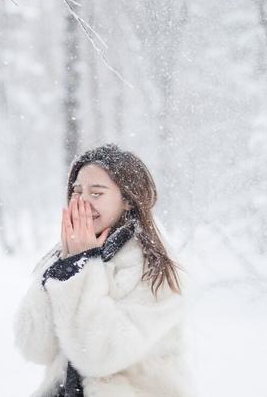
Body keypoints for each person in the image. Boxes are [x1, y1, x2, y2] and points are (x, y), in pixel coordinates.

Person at [13, 144, 193, 397]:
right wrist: (66, 266)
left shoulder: (156, 271)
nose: (83, 202)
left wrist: (81, 268)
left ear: (128, 200)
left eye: (96, 193)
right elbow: (33, 347)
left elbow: (99, 355)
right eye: (77, 191)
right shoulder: (64, 255)